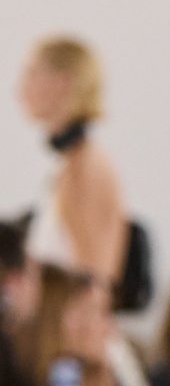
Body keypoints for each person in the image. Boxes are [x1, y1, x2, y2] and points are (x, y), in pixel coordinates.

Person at [14, 37, 128, 290]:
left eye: (32, 73)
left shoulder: (85, 166)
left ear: (62, 82)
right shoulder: (72, 162)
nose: (21, 88)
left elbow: (94, 278)